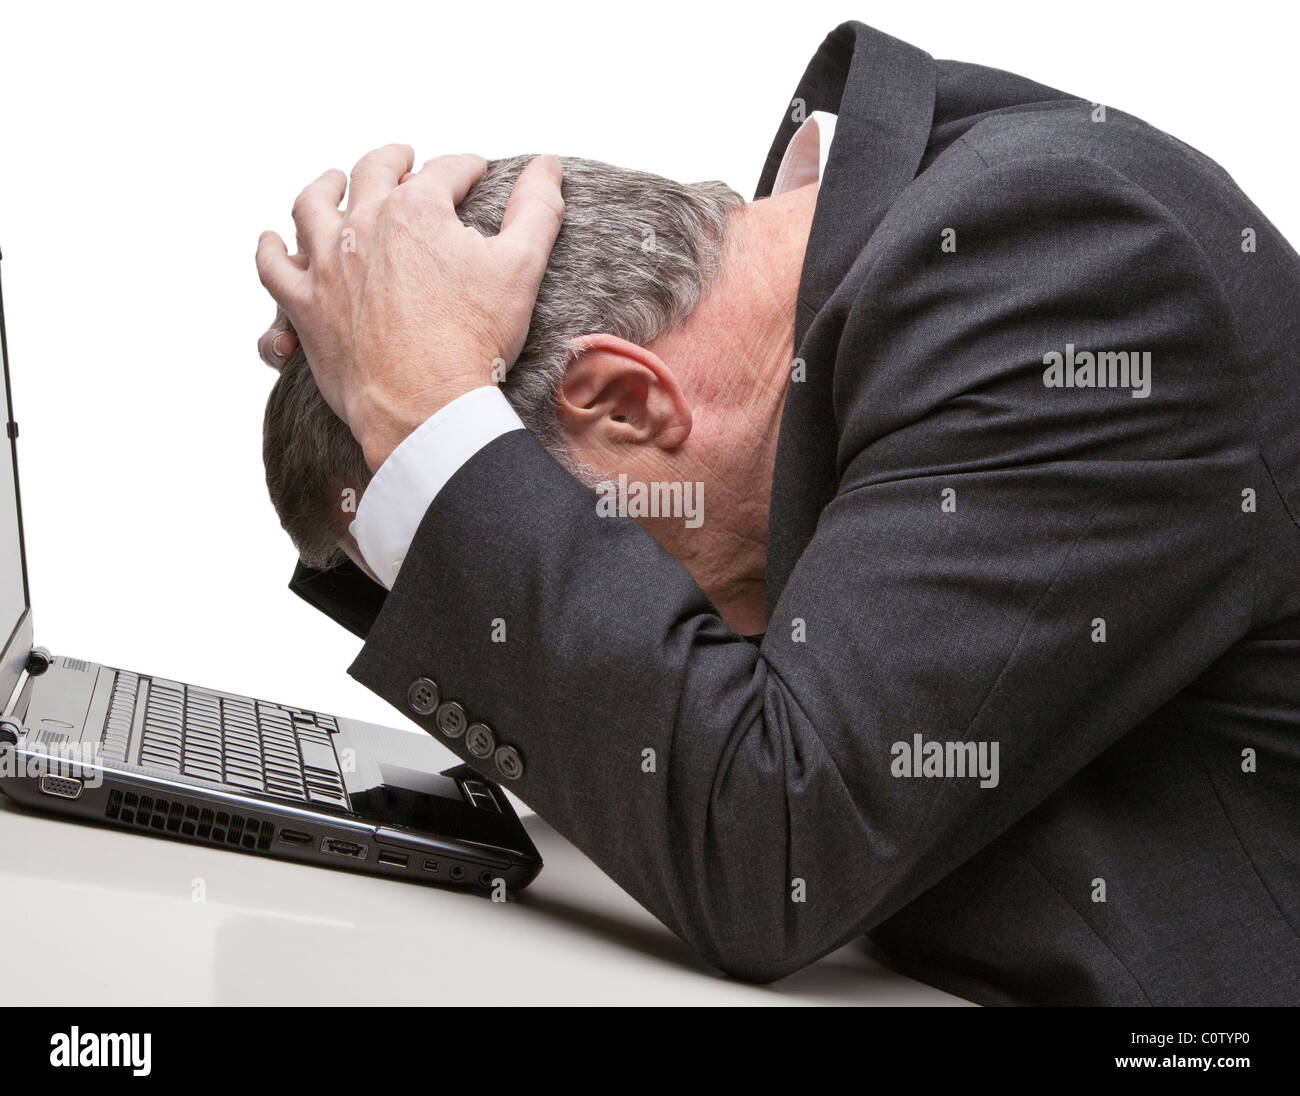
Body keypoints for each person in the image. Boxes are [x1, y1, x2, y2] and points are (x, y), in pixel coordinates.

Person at [254, 21, 1300, 1005]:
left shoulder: (1068, 267)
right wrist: (380, 391)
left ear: (626, 400)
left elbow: (776, 849)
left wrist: (430, 413)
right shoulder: (898, 278)